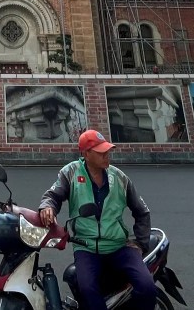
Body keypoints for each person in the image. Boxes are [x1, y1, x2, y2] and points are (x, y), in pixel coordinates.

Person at [39, 129, 157, 310]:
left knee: (147, 287)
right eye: (101, 152)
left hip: (118, 246)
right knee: (87, 290)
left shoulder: (119, 177)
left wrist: (140, 243)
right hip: (86, 247)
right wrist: (48, 207)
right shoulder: (70, 172)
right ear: (86, 154)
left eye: (107, 151)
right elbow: (53, 196)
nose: (106, 155)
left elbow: (142, 211)